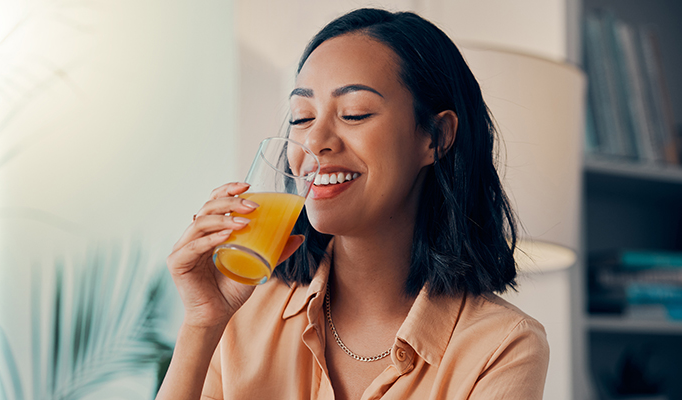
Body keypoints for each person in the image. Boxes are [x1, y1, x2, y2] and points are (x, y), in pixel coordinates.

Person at [157, 8, 549, 400]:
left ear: (436, 136)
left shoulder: (502, 346)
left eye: (354, 113)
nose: (314, 141)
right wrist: (202, 324)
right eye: (302, 116)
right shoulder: (243, 314)